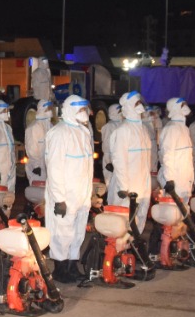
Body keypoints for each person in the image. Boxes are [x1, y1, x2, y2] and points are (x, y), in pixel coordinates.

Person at [45, 95, 93, 282]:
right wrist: (59, 198)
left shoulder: (84, 132)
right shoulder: (59, 133)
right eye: (80, 109)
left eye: (84, 109)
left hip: (81, 193)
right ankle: (61, 268)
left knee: (78, 232)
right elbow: (54, 168)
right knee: (62, 233)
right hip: (65, 195)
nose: (84, 113)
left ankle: (72, 266)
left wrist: (88, 194)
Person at [106, 91, 152, 236]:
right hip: (127, 188)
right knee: (122, 224)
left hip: (142, 185)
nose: (140, 106)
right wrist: (123, 187)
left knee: (139, 220)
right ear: (128, 107)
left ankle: (133, 246)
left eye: (139, 102)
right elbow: (119, 161)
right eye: (136, 103)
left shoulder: (143, 130)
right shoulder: (123, 131)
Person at [156, 97, 194, 258]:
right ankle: (161, 253)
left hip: (184, 180)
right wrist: (169, 179)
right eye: (182, 105)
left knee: (181, 218)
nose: (186, 107)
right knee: (170, 219)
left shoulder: (183, 128)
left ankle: (177, 251)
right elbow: (167, 155)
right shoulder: (171, 129)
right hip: (175, 181)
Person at [24, 99, 54, 181]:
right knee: (38, 188)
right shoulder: (34, 127)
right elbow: (31, 148)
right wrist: (36, 165)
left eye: (50, 108)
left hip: (49, 166)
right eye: (48, 109)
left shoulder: (50, 126)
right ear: (42, 109)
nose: (50, 111)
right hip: (37, 168)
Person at [0, 99, 16, 191]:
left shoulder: (8, 128)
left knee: (9, 195)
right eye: (3, 111)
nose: (6, 113)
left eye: (7, 110)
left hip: (10, 167)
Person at [100, 104, 123, 178]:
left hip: (120, 157)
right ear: (113, 112)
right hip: (111, 157)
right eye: (119, 111)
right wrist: (108, 161)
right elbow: (106, 144)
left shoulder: (122, 124)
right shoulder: (109, 126)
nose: (122, 113)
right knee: (110, 180)